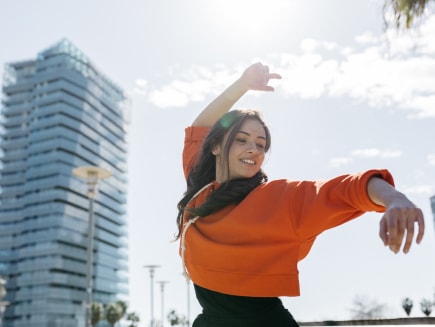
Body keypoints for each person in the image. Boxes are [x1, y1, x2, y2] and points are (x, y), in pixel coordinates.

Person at [175, 62, 425, 327]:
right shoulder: (200, 188)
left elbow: (347, 189)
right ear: (214, 147)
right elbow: (201, 126)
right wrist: (242, 85)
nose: (254, 149)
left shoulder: (280, 199)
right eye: (242, 139)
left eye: (261, 144)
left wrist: (394, 199)